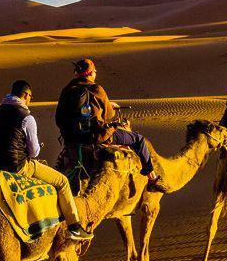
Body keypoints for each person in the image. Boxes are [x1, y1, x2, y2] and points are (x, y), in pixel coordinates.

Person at [0, 80, 88, 240]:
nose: (30, 100)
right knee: (62, 182)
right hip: (17, 167)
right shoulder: (26, 118)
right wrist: (36, 147)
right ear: (26, 95)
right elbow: (33, 153)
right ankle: (74, 226)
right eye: (30, 97)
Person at [55, 59, 159, 189]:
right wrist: (109, 106)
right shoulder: (96, 89)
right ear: (91, 73)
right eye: (95, 72)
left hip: (71, 139)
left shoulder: (67, 91)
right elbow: (109, 115)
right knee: (139, 139)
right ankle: (152, 177)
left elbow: (59, 119)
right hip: (96, 137)